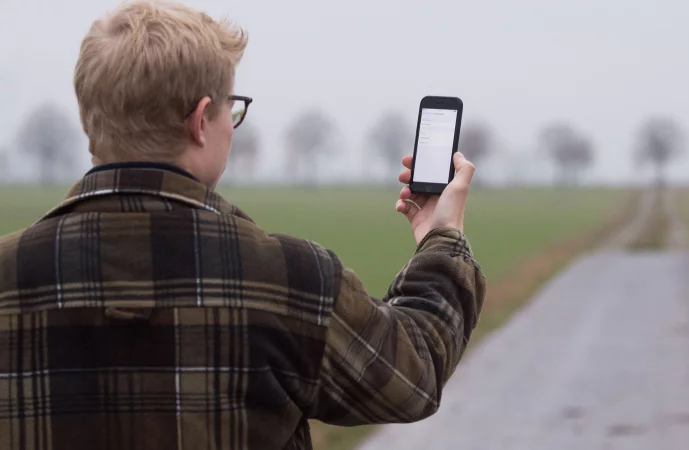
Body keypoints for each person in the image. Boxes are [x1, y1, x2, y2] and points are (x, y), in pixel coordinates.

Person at [0, 1, 485, 449]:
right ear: (199, 121)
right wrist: (441, 237)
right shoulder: (294, 279)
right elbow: (414, 374)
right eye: (231, 109)